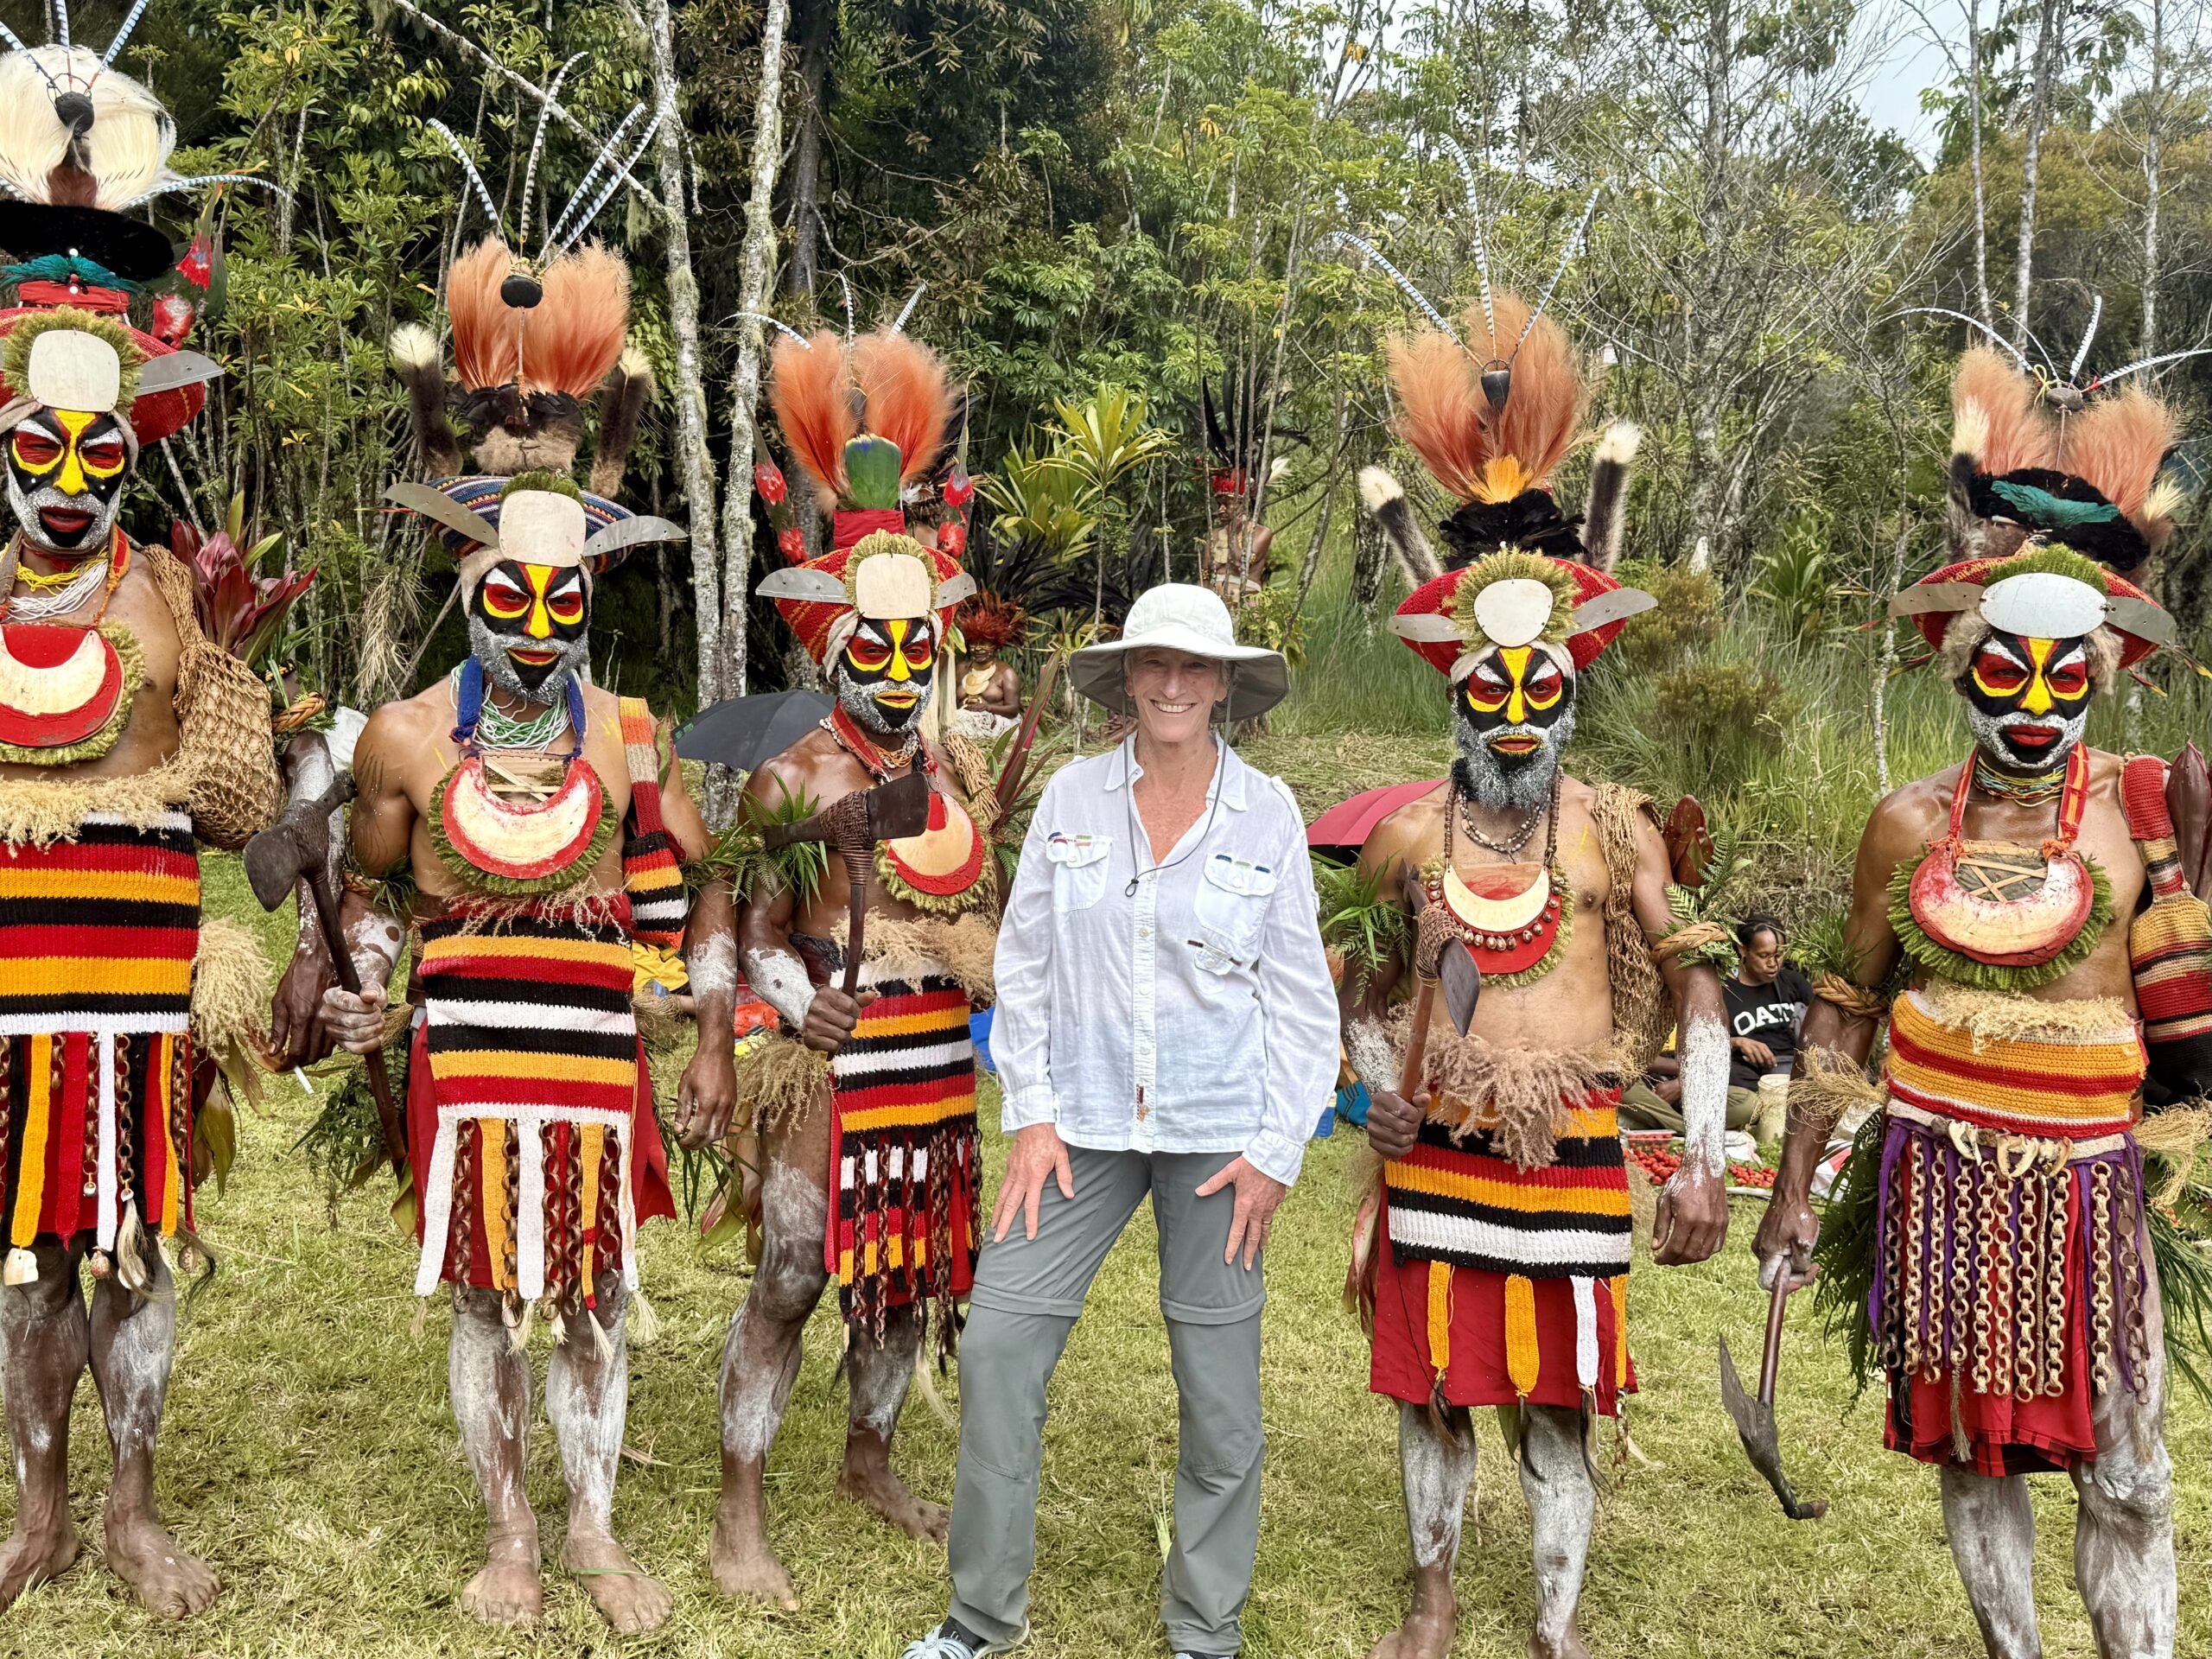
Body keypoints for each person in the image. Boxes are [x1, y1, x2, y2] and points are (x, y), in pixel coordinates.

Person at [1756, 346, 2212, 1659]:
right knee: (1976, 1462)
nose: (2031, 707)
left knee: (2130, 1476)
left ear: (2101, 676)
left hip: (2088, 1191)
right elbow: (1843, 1005)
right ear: (1962, 660)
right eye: (2005, 671)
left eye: (2062, 678)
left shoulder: (2139, 813)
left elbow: (2190, 1004)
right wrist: (1795, 1182)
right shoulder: (1905, 825)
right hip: (1940, 1185)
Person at [314, 226, 735, 1636]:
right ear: (468, 582)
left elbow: (673, 891)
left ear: (591, 589)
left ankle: (596, 1531)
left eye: (565, 596)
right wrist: (364, 981)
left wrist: (694, 1011)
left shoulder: (628, 737)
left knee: (600, 1297)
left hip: (594, 1073)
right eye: (512, 594)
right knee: (491, 1303)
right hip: (475, 1065)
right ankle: (509, 1532)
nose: (540, 624)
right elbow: (372, 892)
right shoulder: (408, 733)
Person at [1345, 290, 1730, 1659]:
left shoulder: (1614, 825)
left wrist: (1696, 1155)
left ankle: (1556, 1624)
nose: (1514, 711)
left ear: (1570, 684)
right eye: (1489, 687)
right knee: (1435, 1385)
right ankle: (1435, 1595)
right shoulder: (1406, 835)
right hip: (1440, 1133)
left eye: (1538, 685)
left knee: (1552, 1401)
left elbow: (1694, 986)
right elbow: (1368, 991)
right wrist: (1366, 1093)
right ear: (1456, 687)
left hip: (1563, 1140)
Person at [902, 582, 1338, 1659]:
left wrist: (1275, 1155)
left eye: (1196, 667)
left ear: (1226, 685)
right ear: (1129, 677)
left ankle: (1205, 1628)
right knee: (1002, 1347)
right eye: (1157, 664)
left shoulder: (1269, 813)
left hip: (1217, 1136)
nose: (1175, 683)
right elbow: (1027, 966)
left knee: (1219, 1394)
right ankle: (979, 1617)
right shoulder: (1073, 800)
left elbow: (1298, 998)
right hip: (1080, 1126)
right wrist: (1033, 1116)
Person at [0, 38, 278, 1619]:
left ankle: (128, 1506)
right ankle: (36, 1508)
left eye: (97, 452)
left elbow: (240, 808)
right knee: (26, 1254)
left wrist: (231, 664)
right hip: (9, 999)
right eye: (39, 449)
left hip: (134, 991)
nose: (66, 480)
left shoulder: (171, 594)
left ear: (134, 450)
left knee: (134, 1244)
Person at [715, 326, 1002, 1608]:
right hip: (832, 1070)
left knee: (906, 1275)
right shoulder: (795, 776)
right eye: (872, 650)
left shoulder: (955, 778)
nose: (896, 673)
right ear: (830, 644)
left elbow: (983, 913)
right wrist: (794, 998)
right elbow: (747, 931)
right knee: (791, 1272)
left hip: (934, 1072)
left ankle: (868, 1460)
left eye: (914, 651)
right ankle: (739, 1504)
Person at [1722, 913, 1808, 1117]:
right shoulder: (1724, 990)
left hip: (1790, 1066)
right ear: (1743, 950)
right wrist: (1737, 1042)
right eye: (1764, 956)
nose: (1773, 964)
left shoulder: (1792, 982)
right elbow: (1703, 1041)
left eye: (1778, 956)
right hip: (1745, 1072)